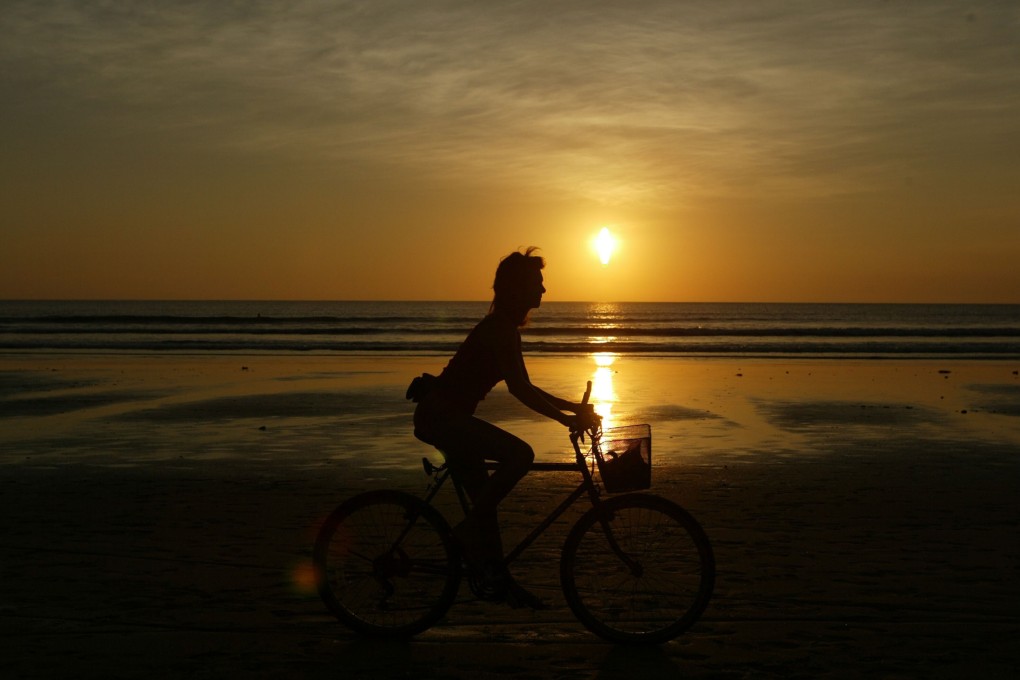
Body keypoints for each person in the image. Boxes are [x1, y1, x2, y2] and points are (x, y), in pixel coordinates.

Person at [409, 247, 597, 609]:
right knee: (520, 454)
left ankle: (499, 579)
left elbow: (525, 384)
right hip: (443, 418)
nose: (543, 290)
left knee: (486, 502)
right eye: (537, 284)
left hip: (449, 417)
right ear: (515, 289)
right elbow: (520, 390)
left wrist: (574, 408)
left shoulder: (505, 329)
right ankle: (465, 536)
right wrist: (566, 419)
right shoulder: (499, 330)